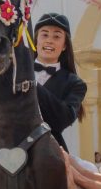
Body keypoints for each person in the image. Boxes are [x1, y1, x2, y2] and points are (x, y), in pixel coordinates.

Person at [33, 13, 86, 152]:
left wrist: (32, 84)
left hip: (48, 150)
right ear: (36, 41)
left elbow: (62, 119)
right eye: (44, 35)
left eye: (56, 36)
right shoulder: (14, 72)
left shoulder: (75, 84)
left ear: (64, 46)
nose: (49, 40)